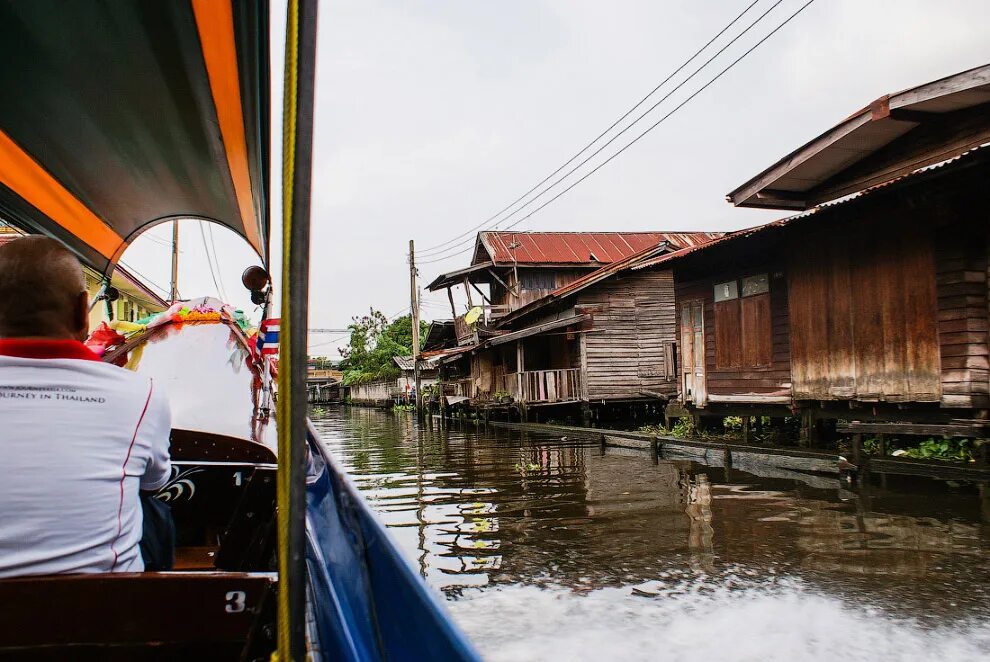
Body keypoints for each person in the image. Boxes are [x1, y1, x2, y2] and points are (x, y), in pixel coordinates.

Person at [0, 236, 172, 576]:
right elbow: (155, 484)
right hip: (104, 621)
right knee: (154, 510)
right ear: (83, 309)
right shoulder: (141, 393)